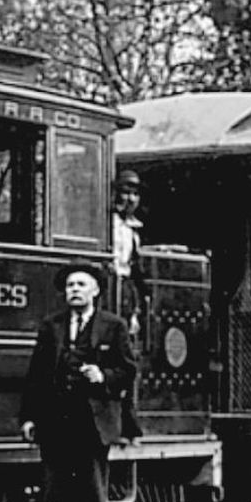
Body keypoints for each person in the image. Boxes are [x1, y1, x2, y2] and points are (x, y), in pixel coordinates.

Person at [20, 265, 138, 502]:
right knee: (56, 494)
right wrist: (30, 417)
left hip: (92, 422)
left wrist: (104, 376)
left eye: (81, 284)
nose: (74, 289)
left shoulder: (114, 326)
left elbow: (128, 369)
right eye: (70, 285)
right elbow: (36, 376)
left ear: (95, 291)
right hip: (56, 420)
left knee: (92, 494)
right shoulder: (51, 326)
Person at [109, 169, 147, 442]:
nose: (129, 199)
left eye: (134, 194)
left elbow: (135, 270)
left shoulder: (133, 230)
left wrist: (134, 309)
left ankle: (128, 422)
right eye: (125, 192)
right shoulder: (107, 224)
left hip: (124, 295)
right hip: (109, 289)